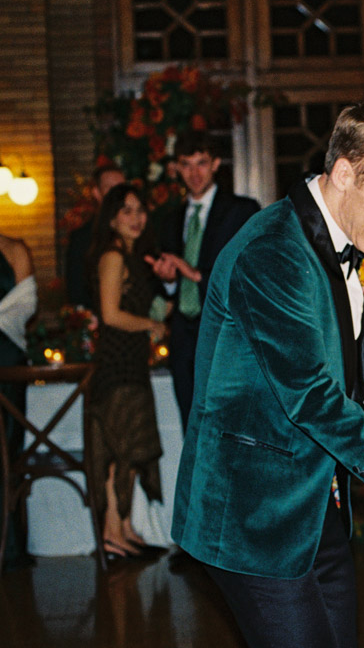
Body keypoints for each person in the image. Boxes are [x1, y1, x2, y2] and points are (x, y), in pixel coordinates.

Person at [172, 97, 364, 648]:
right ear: (343, 173)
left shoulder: (345, 242)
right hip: (253, 518)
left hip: (315, 507)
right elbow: (312, 397)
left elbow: (345, 384)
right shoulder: (272, 252)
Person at [152, 131, 259, 430]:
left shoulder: (241, 211)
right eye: (186, 165)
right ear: (176, 168)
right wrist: (170, 281)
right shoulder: (168, 218)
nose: (194, 173)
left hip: (226, 335)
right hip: (184, 338)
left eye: (201, 163)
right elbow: (165, 287)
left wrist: (197, 275)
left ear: (215, 164)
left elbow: (252, 272)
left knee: (231, 430)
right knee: (193, 430)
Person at [85, 184, 168, 561]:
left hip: (131, 366)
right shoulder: (113, 255)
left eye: (140, 210)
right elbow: (110, 314)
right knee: (118, 451)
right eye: (126, 211)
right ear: (113, 218)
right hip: (116, 367)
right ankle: (112, 532)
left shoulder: (133, 258)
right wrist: (150, 326)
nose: (136, 218)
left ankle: (124, 528)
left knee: (130, 450)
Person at [0, 233, 36, 569]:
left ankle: (9, 546)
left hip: (7, 359)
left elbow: (27, 304)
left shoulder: (14, 248)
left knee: (8, 451)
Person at [65, 164, 126, 309]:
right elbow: (76, 291)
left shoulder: (138, 229)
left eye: (122, 188)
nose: (118, 194)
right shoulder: (81, 237)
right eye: (110, 189)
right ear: (97, 193)